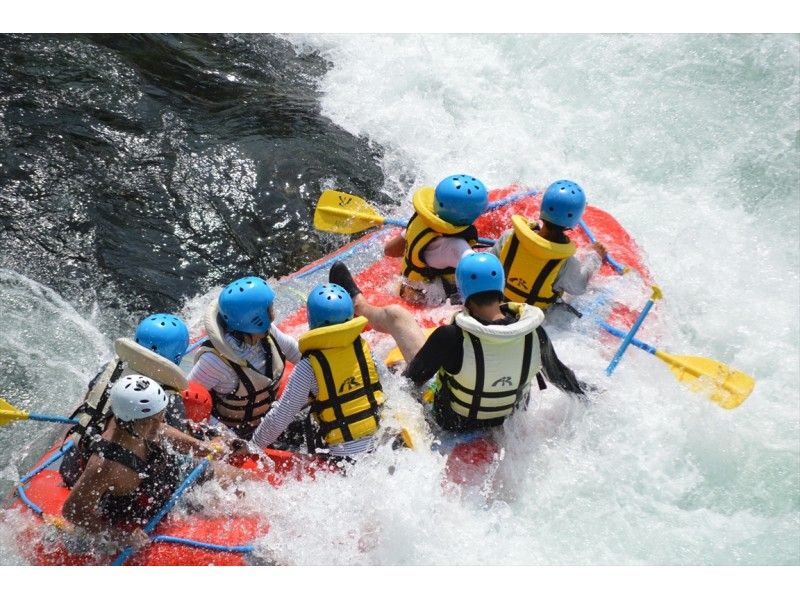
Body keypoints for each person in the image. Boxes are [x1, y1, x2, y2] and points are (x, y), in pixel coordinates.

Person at [329, 254, 585, 434]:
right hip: (506, 420)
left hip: (451, 421)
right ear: (500, 286)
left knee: (397, 316)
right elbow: (560, 377)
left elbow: (409, 383)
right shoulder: (535, 332)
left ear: (463, 291)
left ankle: (359, 305)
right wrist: (589, 396)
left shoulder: (451, 337)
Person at [62, 375, 251, 551]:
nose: (156, 426)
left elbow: (160, 428)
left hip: (163, 473)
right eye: (149, 422)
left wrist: (203, 447)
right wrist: (120, 536)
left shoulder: (138, 422)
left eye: (159, 417)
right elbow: (73, 511)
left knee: (244, 479)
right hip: (139, 501)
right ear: (126, 422)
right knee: (225, 501)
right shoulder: (105, 466)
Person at [60, 313, 222, 488]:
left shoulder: (110, 368)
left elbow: (90, 401)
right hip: (116, 481)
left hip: (74, 463)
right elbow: (173, 442)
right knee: (205, 468)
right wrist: (206, 445)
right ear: (177, 356)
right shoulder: (168, 395)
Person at [251, 283, 384, 464]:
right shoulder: (365, 349)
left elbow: (280, 417)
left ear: (311, 320)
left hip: (346, 462)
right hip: (382, 447)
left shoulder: (308, 366)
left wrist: (253, 445)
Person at [189, 276, 302, 441]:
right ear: (257, 318)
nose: (273, 312)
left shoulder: (269, 333)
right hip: (233, 433)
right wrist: (228, 438)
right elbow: (189, 402)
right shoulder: (215, 361)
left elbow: (295, 351)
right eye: (270, 308)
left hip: (267, 420)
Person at [489, 179, 607, 314]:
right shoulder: (566, 261)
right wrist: (595, 257)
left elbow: (489, 264)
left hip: (497, 303)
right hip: (532, 316)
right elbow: (578, 288)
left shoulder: (509, 236)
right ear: (574, 219)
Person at [384, 174, 487, 305]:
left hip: (404, 287)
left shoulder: (421, 221)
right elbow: (483, 274)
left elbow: (389, 250)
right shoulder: (456, 246)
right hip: (427, 301)